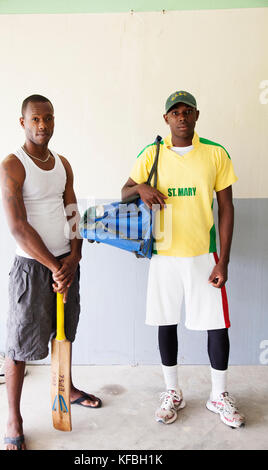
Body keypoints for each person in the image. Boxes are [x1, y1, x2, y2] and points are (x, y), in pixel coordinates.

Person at [121, 90, 245, 428]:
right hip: (163, 255)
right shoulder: (152, 153)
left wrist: (224, 260)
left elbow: (227, 207)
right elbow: (125, 190)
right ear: (166, 119)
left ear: (196, 115)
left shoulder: (215, 154)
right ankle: (172, 391)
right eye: (175, 112)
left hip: (204, 255)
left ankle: (218, 395)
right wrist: (142, 189)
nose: (181, 117)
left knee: (216, 325)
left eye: (187, 111)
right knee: (166, 321)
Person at [0, 94, 101, 450]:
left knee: (65, 331)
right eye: (36, 119)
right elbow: (18, 227)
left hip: (65, 265)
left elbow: (72, 211)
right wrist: (55, 265)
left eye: (48, 119)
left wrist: (74, 257)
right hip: (32, 268)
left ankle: (65, 388)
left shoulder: (63, 164)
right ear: (23, 122)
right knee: (19, 344)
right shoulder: (12, 165)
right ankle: (14, 416)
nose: (43, 125)